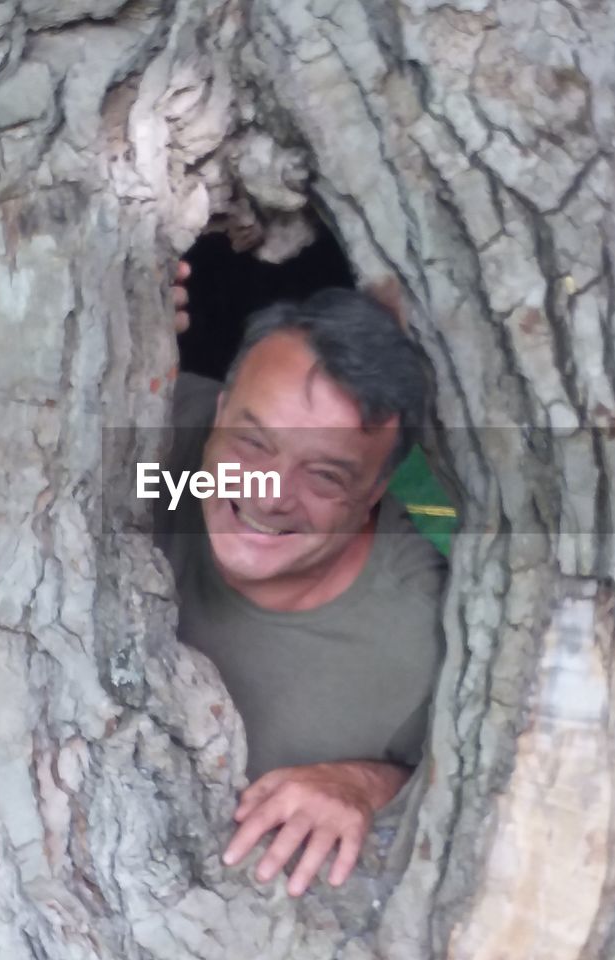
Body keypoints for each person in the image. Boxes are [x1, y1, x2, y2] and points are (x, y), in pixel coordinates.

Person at [155, 262, 446, 898]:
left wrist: (365, 785)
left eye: (325, 476)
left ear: (374, 492)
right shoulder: (160, 452)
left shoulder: (420, 647)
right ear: (222, 409)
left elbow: (473, 781)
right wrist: (123, 317)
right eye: (253, 444)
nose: (269, 495)